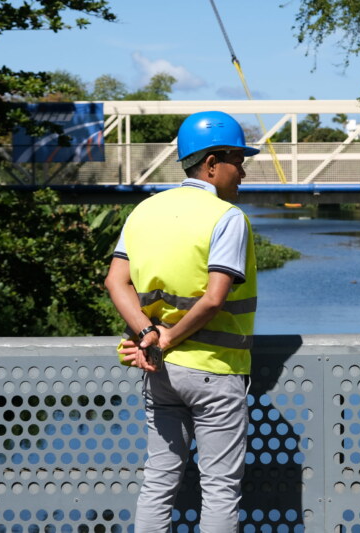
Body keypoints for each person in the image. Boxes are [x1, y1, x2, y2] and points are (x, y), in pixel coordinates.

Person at [104, 110, 258, 532]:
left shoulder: (144, 211)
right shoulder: (227, 217)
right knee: (220, 488)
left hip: (158, 369)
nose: (243, 172)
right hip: (214, 369)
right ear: (211, 163)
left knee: (158, 481)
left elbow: (115, 281)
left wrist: (147, 335)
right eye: (238, 160)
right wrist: (168, 337)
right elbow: (214, 298)